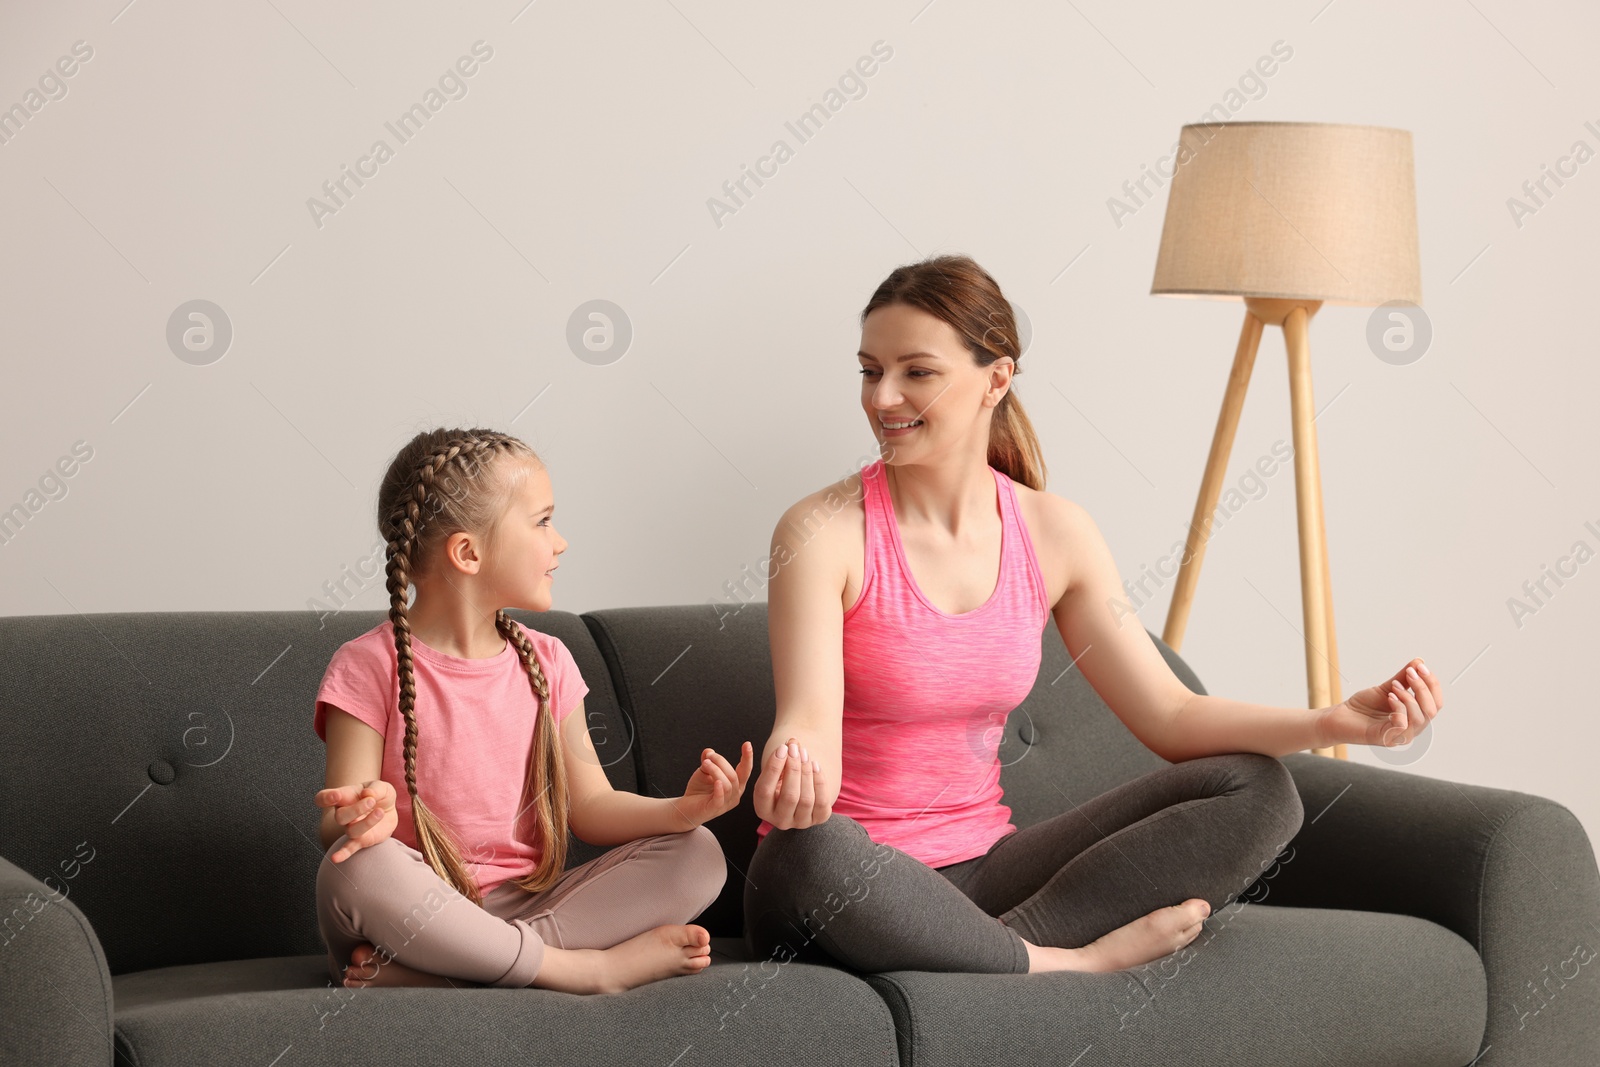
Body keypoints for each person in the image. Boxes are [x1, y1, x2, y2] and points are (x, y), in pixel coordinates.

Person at [743, 254, 1445, 975]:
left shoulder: (1056, 533)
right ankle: (1068, 966)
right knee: (810, 847)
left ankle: (979, 957)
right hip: (837, 880)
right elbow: (807, 721)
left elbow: (1170, 716)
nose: (883, 396)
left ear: (997, 378)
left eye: (915, 372)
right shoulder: (822, 530)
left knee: (1259, 789)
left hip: (982, 876)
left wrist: (1330, 721)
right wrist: (794, 765)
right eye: (869, 370)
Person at [313, 427, 754, 993]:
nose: (560, 541)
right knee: (355, 868)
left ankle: (453, 970)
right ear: (468, 552)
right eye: (543, 521)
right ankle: (581, 970)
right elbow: (337, 828)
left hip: (532, 905)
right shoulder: (367, 665)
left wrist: (684, 811)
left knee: (699, 854)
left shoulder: (548, 661)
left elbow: (590, 806)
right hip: (419, 910)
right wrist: (360, 814)